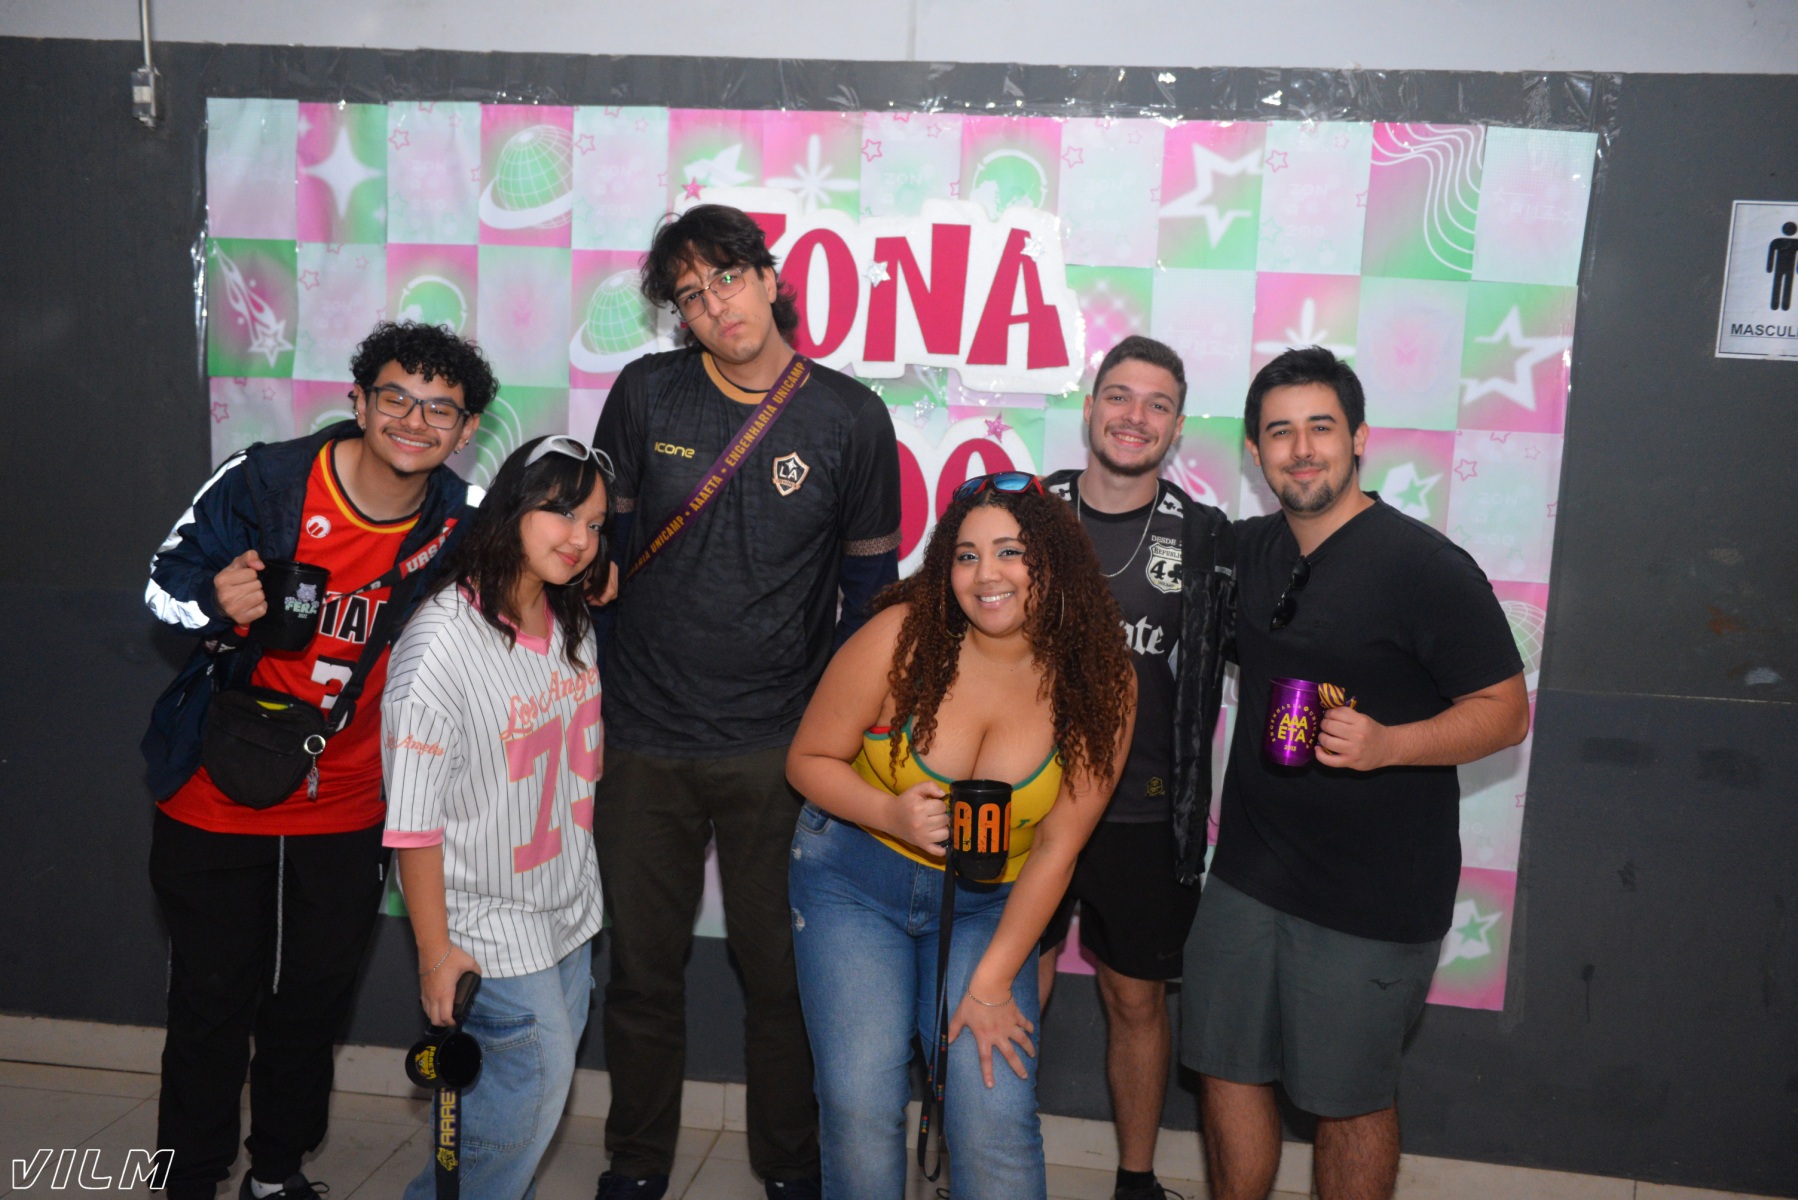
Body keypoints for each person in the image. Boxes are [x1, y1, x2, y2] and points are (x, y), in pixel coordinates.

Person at [588, 203, 902, 1200]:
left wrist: (833, 739)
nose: (714, 304)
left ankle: (790, 1172)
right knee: (641, 975)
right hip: (644, 740)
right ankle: (637, 1167)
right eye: (689, 295)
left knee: (781, 980)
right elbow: (600, 557)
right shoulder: (645, 395)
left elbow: (870, 600)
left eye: (726, 277)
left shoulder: (850, 418)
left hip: (779, 748)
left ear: (770, 278)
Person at [142, 321, 494, 1199]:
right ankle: (187, 1178)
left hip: (350, 800)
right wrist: (212, 601)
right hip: (219, 792)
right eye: (396, 397)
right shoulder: (268, 480)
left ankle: (277, 1171)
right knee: (212, 1000)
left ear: (464, 429)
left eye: (440, 410)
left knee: (313, 999)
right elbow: (160, 584)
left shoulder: (463, 517)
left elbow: (548, 565)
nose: (414, 421)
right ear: (359, 402)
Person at [1181, 347, 1530, 1200]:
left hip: (1374, 896)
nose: (1302, 449)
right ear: (1255, 452)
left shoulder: (1425, 567)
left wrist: (1388, 744)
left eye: (1321, 428)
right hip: (1247, 875)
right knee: (1223, 1068)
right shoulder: (1246, 551)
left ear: (1360, 438)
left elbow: (1505, 711)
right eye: (1280, 432)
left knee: (1349, 1102)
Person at [786, 472, 1139, 1200]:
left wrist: (990, 984)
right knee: (860, 1105)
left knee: (994, 1113)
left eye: (1011, 552)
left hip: (990, 906)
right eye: (966, 556)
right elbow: (807, 761)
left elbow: (1059, 846)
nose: (987, 576)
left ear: (1053, 561)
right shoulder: (900, 637)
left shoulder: (1102, 682)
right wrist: (889, 813)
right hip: (853, 881)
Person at [383, 435, 612, 1200]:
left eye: (595, 523)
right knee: (506, 1130)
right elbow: (413, 823)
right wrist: (434, 954)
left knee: (516, 1123)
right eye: (561, 512)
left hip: (567, 910)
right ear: (512, 506)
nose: (580, 538)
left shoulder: (569, 617)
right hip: (486, 928)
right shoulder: (439, 646)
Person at [1036, 336, 1233, 1200]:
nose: (1135, 417)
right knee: (1012, 988)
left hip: (1145, 810)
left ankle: (1136, 1182)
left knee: (1136, 1002)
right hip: (1029, 804)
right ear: (1089, 408)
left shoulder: (1206, 536)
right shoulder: (1027, 512)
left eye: (1158, 404)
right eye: (1119, 396)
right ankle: (991, 1166)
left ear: (1178, 427)